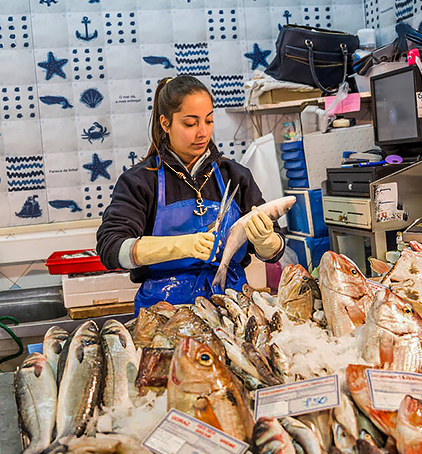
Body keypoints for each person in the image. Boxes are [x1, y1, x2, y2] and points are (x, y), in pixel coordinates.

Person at [96, 75, 285, 315]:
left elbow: (274, 250)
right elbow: (111, 247)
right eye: (190, 123)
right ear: (165, 123)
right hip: (165, 313)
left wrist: (266, 241)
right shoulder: (141, 181)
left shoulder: (234, 176)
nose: (203, 132)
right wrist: (183, 245)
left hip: (232, 308)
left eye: (209, 121)